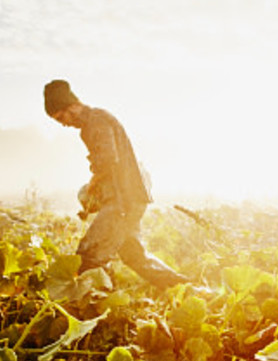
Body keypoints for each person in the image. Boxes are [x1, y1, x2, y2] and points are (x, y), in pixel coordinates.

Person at [43, 79, 188, 289]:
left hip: (123, 200)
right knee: (135, 257)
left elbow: (107, 159)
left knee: (88, 256)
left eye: (61, 117)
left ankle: (96, 302)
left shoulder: (96, 121)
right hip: (131, 198)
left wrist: (93, 184)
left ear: (72, 106)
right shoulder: (93, 123)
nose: (63, 124)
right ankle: (190, 290)